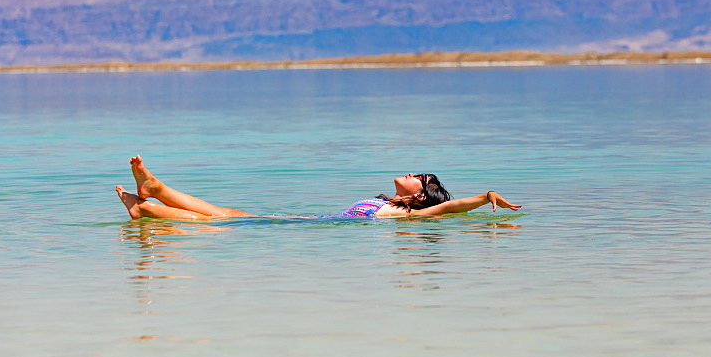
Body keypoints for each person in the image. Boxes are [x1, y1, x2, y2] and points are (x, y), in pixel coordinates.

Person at [116, 155, 521, 221]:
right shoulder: (385, 203)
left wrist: (485, 196)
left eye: (423, 177)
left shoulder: (408, 217)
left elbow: (449, 210)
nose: (414, 171)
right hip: (306, 220)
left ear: (420, 195)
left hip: (301, 226)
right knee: (226, 214)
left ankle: (150, 208)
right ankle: (154, 190)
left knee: (218, 222)